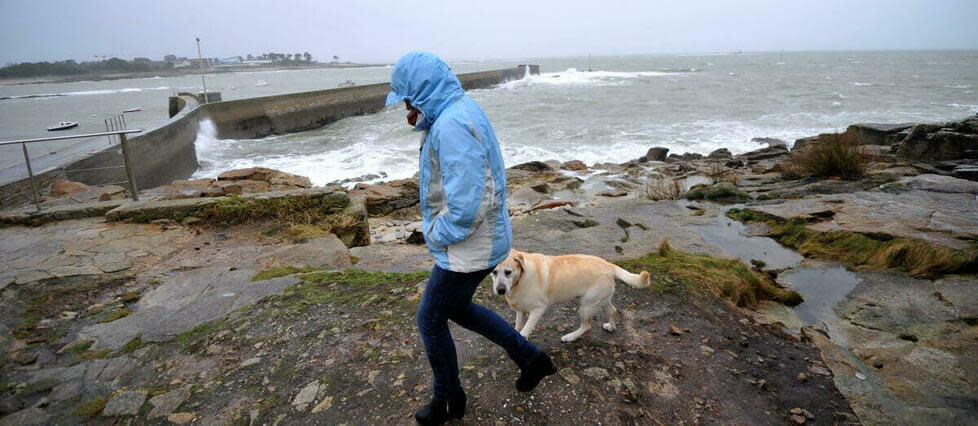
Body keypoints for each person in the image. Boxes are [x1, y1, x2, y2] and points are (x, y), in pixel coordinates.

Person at [385, 51, 557, 425]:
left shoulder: (450, 126)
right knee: (458, 308)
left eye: (408, 99)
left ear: (422, 91)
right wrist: (421, 119)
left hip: (469, 245)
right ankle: (532, 359)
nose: (407, 107)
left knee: (430, 319)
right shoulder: (457, 110)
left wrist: (433, 232)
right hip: (486, 239)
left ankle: (448, 401)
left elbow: (465, 208)